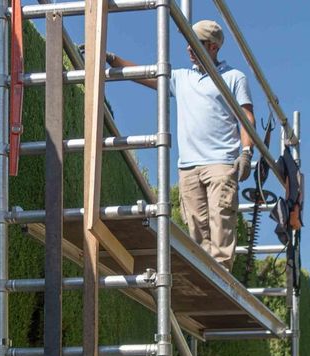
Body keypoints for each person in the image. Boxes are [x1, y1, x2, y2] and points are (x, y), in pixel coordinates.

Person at [108, 21, 254, 265]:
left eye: (195, 43)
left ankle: (220, 281)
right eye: (188, 42)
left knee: (221, 225)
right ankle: (209, 278)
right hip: (188, 166)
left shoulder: (232, 77)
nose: (188, 48)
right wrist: (113, 59)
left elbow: (246, 116)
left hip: (220, 162)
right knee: (197, 230)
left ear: (214, 47)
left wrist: (247, 152)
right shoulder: (182, 78)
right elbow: (147, 74)